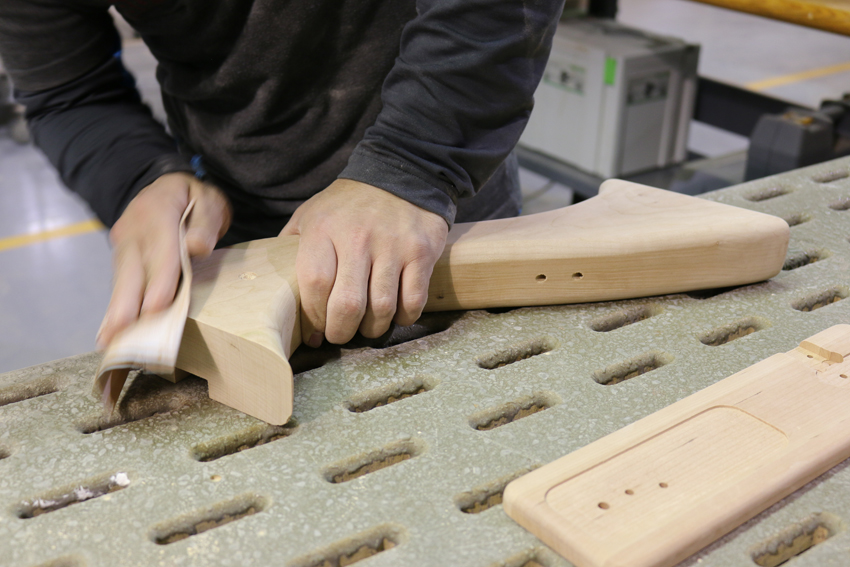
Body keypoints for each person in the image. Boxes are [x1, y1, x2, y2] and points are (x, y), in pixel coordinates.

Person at [0, 0, 563, 350]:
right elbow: (70, 91)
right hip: (246, 238)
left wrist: (411, 164)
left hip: (437, 212)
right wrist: (139, 178)